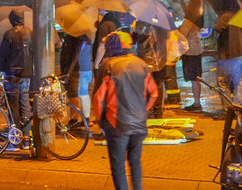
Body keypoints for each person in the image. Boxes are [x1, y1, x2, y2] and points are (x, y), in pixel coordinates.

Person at [92, 31, 158, 190]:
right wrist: (143, 111)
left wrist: (100, 120)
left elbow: (98, 98)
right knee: (135, 162)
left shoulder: (108, 66)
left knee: (118, 166)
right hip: (139, 123)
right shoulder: (141, 64)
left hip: (117, 123)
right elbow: (154, 93)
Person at [213, 0, 242, 105]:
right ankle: (237, 106)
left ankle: (227, 109)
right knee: (238, 81)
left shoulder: (225, 16)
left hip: (228, 54)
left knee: (223, 82)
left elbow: (218, 28)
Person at [134, 22, 168, 118]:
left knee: (146, 87)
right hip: (160, 60)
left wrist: (133, 34)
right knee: (158, 86)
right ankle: (158, 113)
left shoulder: (142, 23)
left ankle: (147, 112)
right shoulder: (162, 23)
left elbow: (138, 38)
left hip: (146, 61)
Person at [59, 32, 92, 121]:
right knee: (83, 93)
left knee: (73, 94)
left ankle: (75, 120)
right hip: (84, 68)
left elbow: (74, 55)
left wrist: (67, 73)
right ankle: (86, 119)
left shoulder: (75, 35)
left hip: (75, 69)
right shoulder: (86, 35)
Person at [178, 11, 204, 111]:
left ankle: (197, 103)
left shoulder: (188, 22)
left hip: (190, 53)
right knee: (196, 78)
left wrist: (178, 29)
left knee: (193, 78)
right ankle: (197, 103)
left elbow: (182, 35)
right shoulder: (198, 21)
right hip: (197, 51)